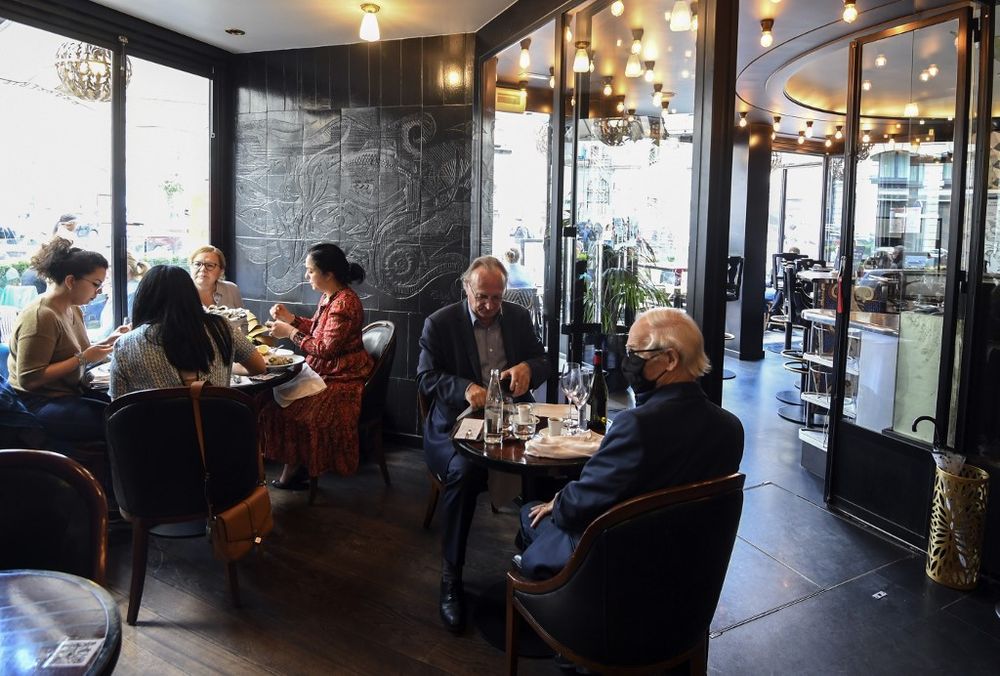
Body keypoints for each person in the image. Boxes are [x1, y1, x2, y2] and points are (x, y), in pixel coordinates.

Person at [516, 308, 744, 580]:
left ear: (670, 359)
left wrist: (559, 501)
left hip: (614, 569)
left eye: (635, 353)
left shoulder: (636, 426)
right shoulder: (730, 428)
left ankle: (533, 601)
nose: (627, 362)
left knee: (528, 512)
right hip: (689, 571)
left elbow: (577, 509)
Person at [416, 255, 549, 633]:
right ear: (466, 288)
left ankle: (535, 560)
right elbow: (425, 377)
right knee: (464, 473)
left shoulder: (518, 318)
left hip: (512, 417)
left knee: (548, 463)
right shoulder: (440, 323)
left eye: (497, 297)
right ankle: (451, 577)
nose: (490, 307)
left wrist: (530, 369)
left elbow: (542, 360)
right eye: (482, 298)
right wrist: (465, 388)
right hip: (457, 422)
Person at [260, 243, 373, 489]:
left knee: (290, 410)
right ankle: (295, 467)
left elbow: (325, 349)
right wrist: (291, 319)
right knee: (274, 402)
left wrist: (289, 332)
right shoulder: (331, 296)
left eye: (310, 271)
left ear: (328, 274)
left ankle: (296, 469)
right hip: (327, 371)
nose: (306, 275)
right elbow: (318, 329)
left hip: (342, 377)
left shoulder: (344, 304)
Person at [6, 238, 127, 445]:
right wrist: (82, 358)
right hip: (36, 403)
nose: (98, 292)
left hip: (68, 394)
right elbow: (29, 378)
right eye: (96, 284)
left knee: (126, 410)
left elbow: (77, 351)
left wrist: (109, 340)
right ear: (71, 281)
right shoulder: (41, 315)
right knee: (122, 423)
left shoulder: (73, 309)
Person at [108, 265, 266, 399]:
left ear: (143, 299)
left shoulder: (125, 344)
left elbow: (117, 402)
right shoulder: (221, 327)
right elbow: (259, 367)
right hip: (216, 428)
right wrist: (224, 366)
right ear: (191, 295)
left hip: (155, 433)